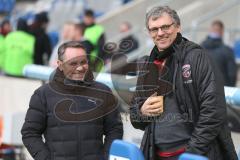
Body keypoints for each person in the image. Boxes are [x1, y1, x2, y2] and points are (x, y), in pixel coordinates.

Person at [130, 6, 237, 160]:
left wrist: (190, 154)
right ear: (149, 32)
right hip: (156, 155)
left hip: (194, 155)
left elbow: (214, 111)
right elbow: (134, 115)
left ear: (178, 26)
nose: (160, 33)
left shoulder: (197, 57)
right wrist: (141, 111)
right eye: (154, 29)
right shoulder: (148, 64)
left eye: (165, 27)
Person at [21, 41, 123, 160]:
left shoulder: (103, 92)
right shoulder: (43, 94)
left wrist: (107, 157)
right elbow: (30, 133)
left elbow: (114, 129)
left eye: (83, 62)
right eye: (73, 63)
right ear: (60, 64)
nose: (80, 68)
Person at [201, 20, 237, 87]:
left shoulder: (199, 48)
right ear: (222, 32)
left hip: (202, 91)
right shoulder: (227, 51)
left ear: (210, 30)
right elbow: (232, 75)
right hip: (221, 91)